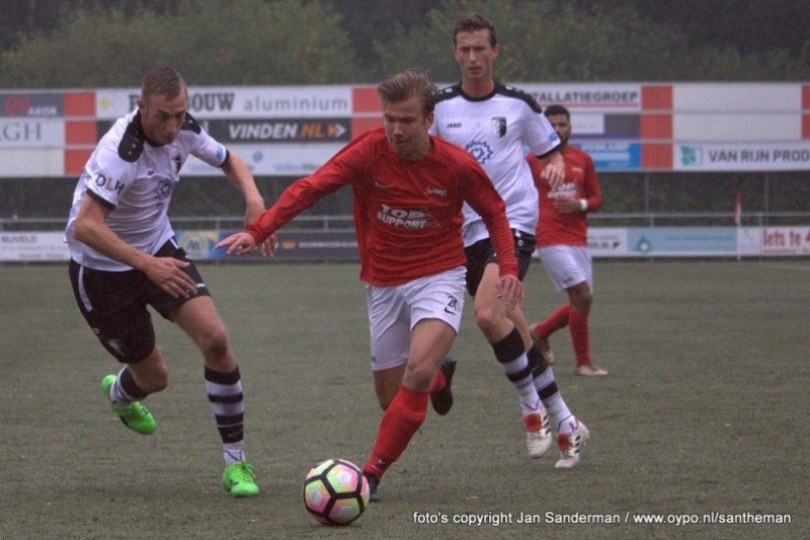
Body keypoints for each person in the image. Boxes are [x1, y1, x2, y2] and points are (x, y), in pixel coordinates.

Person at [217, 68, 524, 501]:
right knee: (391, 397)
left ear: (429, 119)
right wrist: (261, 229)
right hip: (382, 283)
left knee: (415, 371)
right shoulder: (368, 152)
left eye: (407, 121)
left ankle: (370, 475)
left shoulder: (456, 166)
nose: (396, 130)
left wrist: (508, 266)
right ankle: (439, 378)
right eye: (389, 119)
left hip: (440, 274)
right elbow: (311, 187)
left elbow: (494, 211)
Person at [65, 65, 270, 497]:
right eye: (163, 116)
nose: (173, 126)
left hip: (157, 250)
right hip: (102, 270)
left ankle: (236, 464)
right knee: (155, 378)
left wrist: (253, 200)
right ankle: (121, 393)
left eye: (180, 114)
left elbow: (231, 161)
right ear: (141, 107)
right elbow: (85, 226)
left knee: (215, 339)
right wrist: (145, 264)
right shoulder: (120, 153)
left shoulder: (184, 130)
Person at [429, 14, 589, 467]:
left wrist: (554, 163)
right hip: (466, 231)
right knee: (514, 330)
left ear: (495, 52)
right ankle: (566, 419)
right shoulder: (439, 107)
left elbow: (549, 148)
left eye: (481, 49)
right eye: (465, 50)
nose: (473, 58)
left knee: (485, 314)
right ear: (455, 53)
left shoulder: (518, 104)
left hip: (513, 221)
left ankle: (530, 408)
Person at [528, 104, 607, 376]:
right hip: (549, 237)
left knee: (582, 301)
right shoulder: (531, 161)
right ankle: (583, 364)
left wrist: (580, 204)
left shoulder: (583, 159)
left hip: (578, 239)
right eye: (552, 125)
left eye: (562, 124)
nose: (558, 130)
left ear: (570, 127)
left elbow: (597, 200)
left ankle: (539, 332)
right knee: (581, 295)